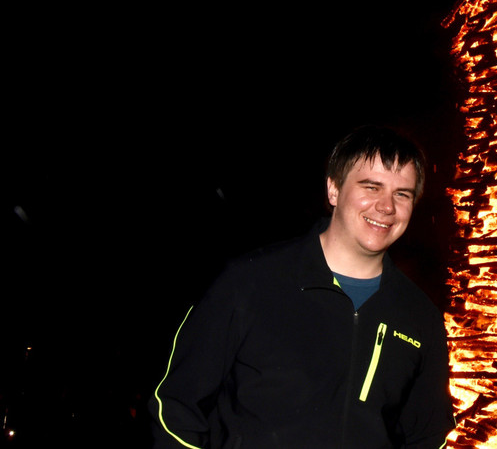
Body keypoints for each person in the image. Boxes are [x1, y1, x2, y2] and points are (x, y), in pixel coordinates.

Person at [150, 125, 454, 448]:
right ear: (333, 189)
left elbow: (428, 436)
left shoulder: (420, 317)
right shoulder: (249, 283)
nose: (386, 206)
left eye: (402, 194)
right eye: (371, 187)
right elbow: (175, 407)